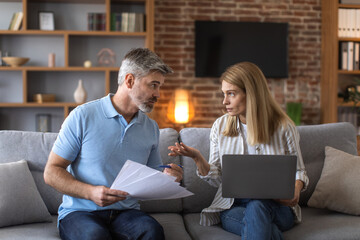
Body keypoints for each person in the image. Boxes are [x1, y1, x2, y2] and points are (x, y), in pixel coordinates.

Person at [44, 48, 183, 240]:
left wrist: (168, 178)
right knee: (94, 236)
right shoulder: (82, 116)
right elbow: (51, 172)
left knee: (153, 231)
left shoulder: (150, 127)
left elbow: (151, 178)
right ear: (129, 80)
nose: (158, 94)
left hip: (126, 214)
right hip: (80, 212)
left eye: (159, 87)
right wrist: (90, 192)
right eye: (153, 85)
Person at [168, 62, 309, 240]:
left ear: (252, 94)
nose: (224, 101)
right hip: (234, 207)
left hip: (278, 208)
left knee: (257, 206)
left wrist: (295, 191)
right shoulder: (220, 126)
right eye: (224, 94)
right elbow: (218, 179)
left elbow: (300, 171)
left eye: (231, 94)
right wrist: (197, 158)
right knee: (261, 224)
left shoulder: (283, 126)